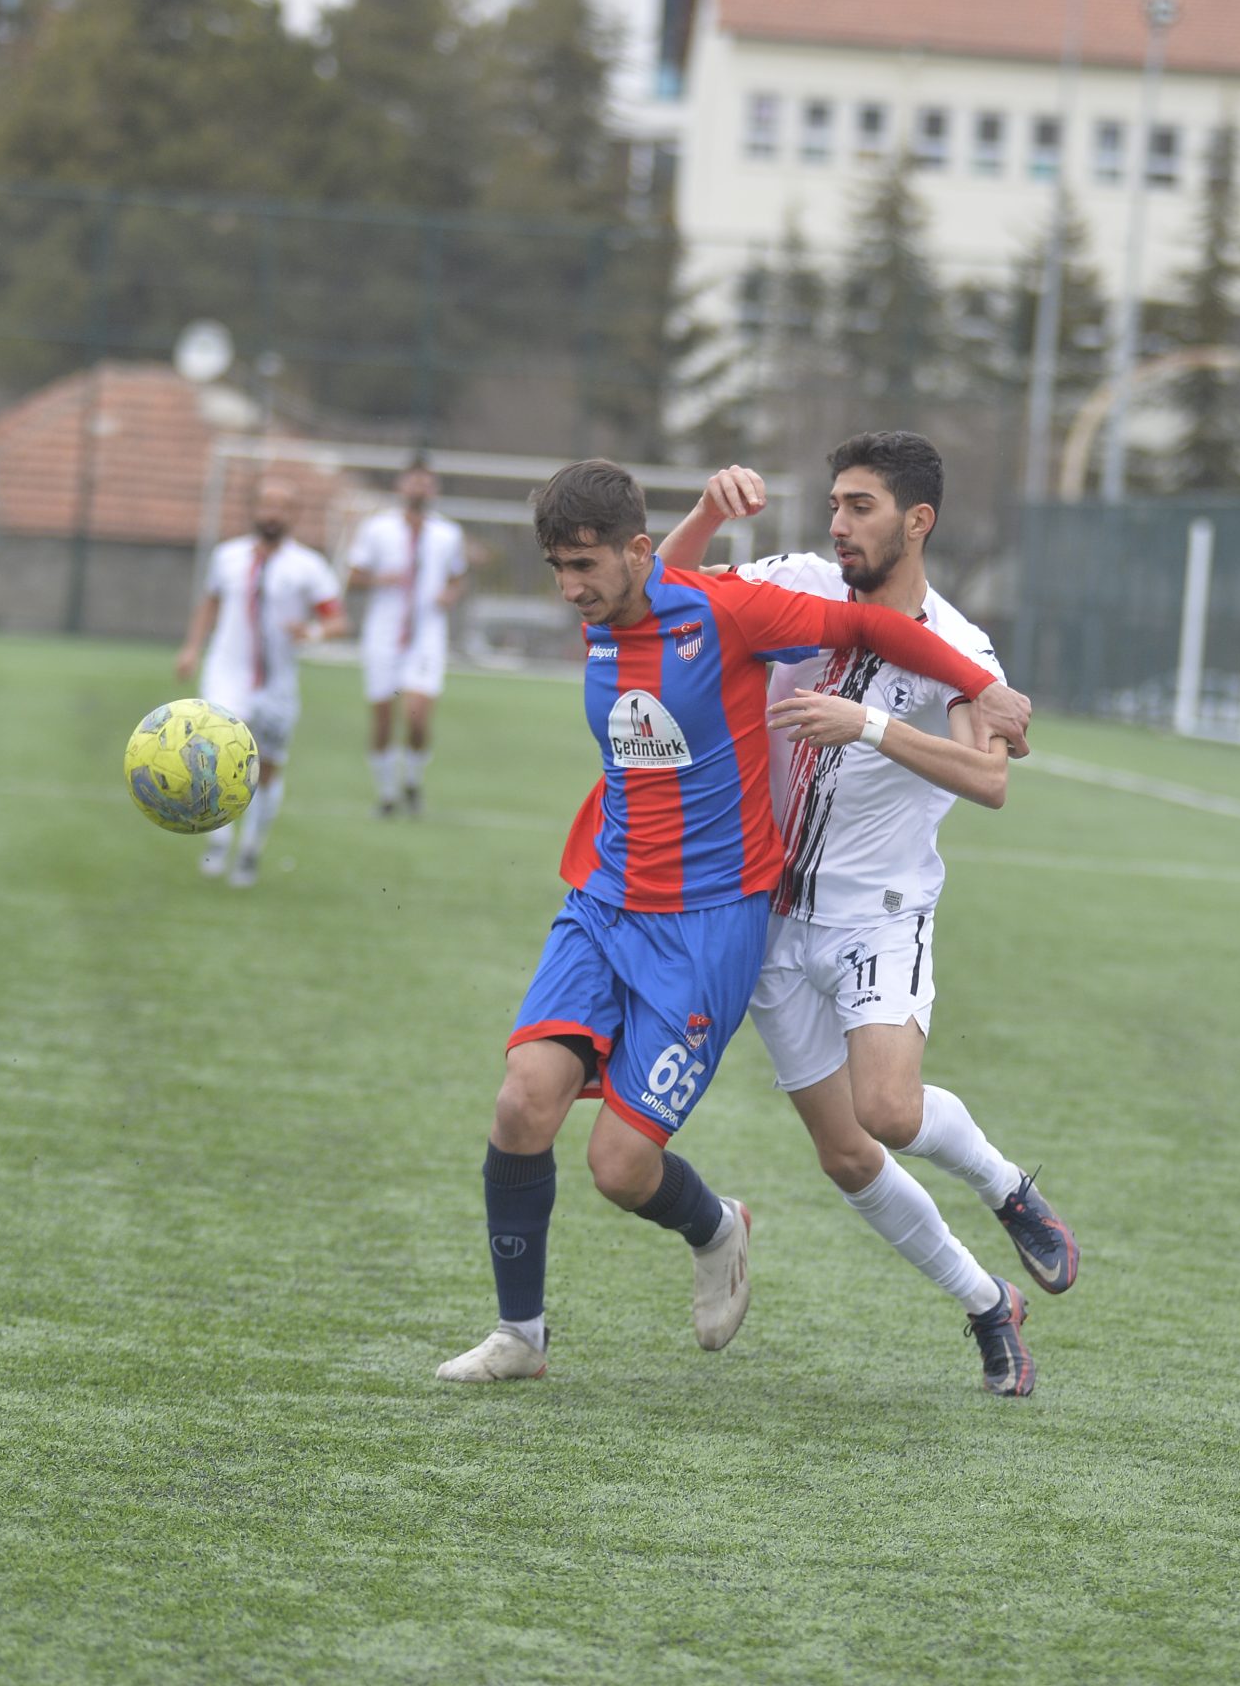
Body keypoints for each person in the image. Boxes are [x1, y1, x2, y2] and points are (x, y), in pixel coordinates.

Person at [439, 458, 1031, 1384]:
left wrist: (976, 687)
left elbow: (868, 626)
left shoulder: (725, 612)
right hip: (602, 903)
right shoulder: (613, 612)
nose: (569, 589)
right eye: (557, 567)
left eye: (583, 566)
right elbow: (654, 583)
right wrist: (708, 511)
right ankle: (521, 1335)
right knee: (522, 1103)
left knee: (622, 1168)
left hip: (711, 928)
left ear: (634, 551)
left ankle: (720, 1227)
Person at [655, 438, 1070, 1398]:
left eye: (862, 507)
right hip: (770, 919)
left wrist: (873, 726)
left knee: (888, 1110)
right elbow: (660, 595)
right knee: (846, 1155)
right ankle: (987, 1304)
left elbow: (990, 780)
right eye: (836, 503)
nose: (838, 524)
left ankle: (1008, 1188)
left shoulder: (959, 646)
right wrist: (708, 512)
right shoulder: (797, 580)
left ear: (918, 521)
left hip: (877, 916)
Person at [173, 476, 346, 887]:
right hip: (227, 671)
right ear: (253, 509)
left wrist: (312, 632)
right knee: (217, 754)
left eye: (282, 506)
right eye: (266, 504)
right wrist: (191, 648)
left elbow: (337, 619)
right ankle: (219, 838)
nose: (272, 513)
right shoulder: (228, 556)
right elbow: (210, 602)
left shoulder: (308, 566)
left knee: (266, 767)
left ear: (295, 515)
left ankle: (251, 848)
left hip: (277, 682)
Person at [344, 457, 468, 817]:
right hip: (384, 635)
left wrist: (449, 594)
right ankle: (386, 794)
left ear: (434, 489)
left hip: (426, 636)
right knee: (383, 717)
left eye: (426, 483)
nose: (419, 489)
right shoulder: (378, 529)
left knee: (417, 716)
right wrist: (380, 579)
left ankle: (412, 780)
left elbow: (457, 577)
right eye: (414, 481)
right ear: (401, 486)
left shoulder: (447, 533)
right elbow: (353, 577)